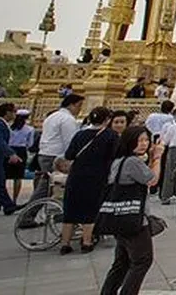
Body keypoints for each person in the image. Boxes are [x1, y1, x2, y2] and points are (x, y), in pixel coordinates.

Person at [99, 125, 160, 295]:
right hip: (133, 218)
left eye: (146, 140)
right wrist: (157, 158)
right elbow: (153, 180)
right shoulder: (132, 162)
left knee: (122, 262)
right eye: (139, 140)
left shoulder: (119, 161)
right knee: (142, 260)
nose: (144, 144)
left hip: (119, 215)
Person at [60, 106, 119, 254]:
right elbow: (114, 156)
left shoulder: (79, 134)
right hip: (97, 176)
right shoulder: (110, 135)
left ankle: (65, 244)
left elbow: (69, 155)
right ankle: (86, 242)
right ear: (107, 120)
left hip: (76, 175)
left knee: (70, 209)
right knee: (90, 209)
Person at [33, 94, 83, 201]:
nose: (79, 109)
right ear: (71, 105)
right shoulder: (67, 119)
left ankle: (36, 209)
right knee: (52, 186)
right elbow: (70, 141)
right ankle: (32, 211)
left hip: (44, 153)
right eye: (79, 106)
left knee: (47, 184)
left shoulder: (52, 116)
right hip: (56, 156)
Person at [6, 109, 35, 206]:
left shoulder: (9, 127)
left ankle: (1, 199)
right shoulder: (30, 129)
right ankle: (14, 200)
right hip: (21, 151)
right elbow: (30, 144)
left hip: (8, 150)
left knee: (4, 176)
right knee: (17, 177)